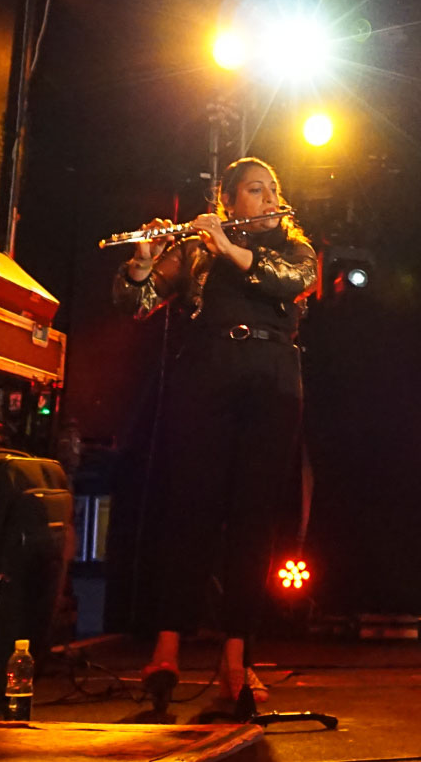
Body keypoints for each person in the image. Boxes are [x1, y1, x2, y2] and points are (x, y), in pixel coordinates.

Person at [115, 156, 317, 718]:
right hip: (207, 374)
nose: (270, 198)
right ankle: (166, 650)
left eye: (273, 189)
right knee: (190, 508)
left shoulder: (293, 248)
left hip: (274, 379)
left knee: (254, 518)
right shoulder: (195, 250)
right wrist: (144, 262)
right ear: (229, 201)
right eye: (256, 190)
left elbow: (294, 282)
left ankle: (236, 661)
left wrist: (228, 246)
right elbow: (135, 304)